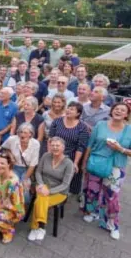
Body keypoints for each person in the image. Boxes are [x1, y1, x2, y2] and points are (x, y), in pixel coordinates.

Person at [81, 103, 131, 240]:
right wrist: (84, 162)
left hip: (116, 167)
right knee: (92, 191)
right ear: (112, 111)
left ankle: (112, 224)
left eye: (123, 110)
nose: (119, 111)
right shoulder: (100, 125)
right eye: (116, 109)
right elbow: (90, 145)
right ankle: (93, 212)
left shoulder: (129, 130)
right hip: (96, 163)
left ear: (126, 115)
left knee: (111, 197)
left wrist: (120, 149)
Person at [27, 137, 74, 241]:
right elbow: (38, 172)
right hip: (42, 185)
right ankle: (41, 228)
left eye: (57, 145)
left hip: (59, 192)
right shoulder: (45, 156)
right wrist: (41, 184)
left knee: (38, 202)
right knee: (42, 198)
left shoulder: (69, 163)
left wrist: (49, 191)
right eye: (52, 145)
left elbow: (65, 184)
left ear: (63, 147)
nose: (55, 148)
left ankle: (37, 227)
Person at [49, 102, 89, 195]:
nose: (68, 110)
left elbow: (81, 146)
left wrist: (75, 162)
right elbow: (50, 138)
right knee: (54, 176)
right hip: (55, 152)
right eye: (68, 108)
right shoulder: (57, 121)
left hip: (72, 155)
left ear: (78, 113)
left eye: (72, 109)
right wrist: (49, 153)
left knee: (69, 181)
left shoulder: (82, 127)